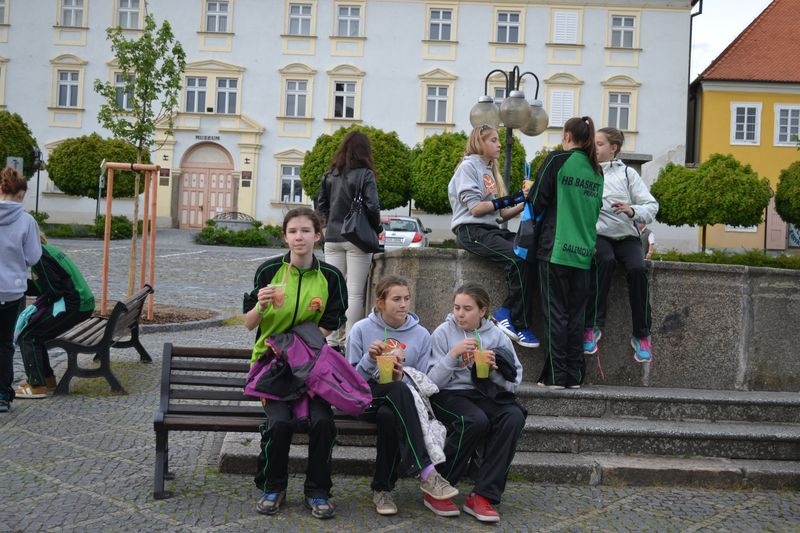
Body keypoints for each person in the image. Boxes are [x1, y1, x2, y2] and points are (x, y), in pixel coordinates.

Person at [243, 207, 347, 520]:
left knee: (323, 422)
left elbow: (332, 321)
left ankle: (318, 491)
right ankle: (273, 487)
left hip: (311, 367)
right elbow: (249, 323)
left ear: (318, 236)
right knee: (279, 423)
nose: (299, 237)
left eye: (305, 231)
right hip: (270, 366)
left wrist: (298, 346)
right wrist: (260, 306)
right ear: (285, 237)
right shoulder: (268, 271)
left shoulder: (331, 276)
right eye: (292, 231)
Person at [346, 275, 457, 516]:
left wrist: (400, 376)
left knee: (390, 414)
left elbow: (422, 379)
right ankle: (426, 471)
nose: (403, 304)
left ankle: (382, 489)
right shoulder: (361, 329)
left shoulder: (421, 334)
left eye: (406, 298)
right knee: (395, 395)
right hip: (365, 397)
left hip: (401, 399)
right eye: (396, 299)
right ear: (380, 302)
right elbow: (351, 381)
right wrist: (369, 359)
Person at [427, 282, 525, 523]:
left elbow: (514, 382)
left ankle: (483, 495)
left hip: (485, 393)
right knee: (475, 420)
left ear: (482, 311)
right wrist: (453, 355)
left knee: (513, 416)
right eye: (457, 307)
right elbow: (430, 383)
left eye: (467, 309)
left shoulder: (497, 336)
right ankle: (438, 485)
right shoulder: (443, 332)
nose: (460, 314)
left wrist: (493, 371)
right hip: (449, 394)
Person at [527, 117, 604, 389]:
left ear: (568, 136)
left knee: (556, 314)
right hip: (583, 253)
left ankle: (556, 376)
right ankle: (574, 375)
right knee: (575, 316)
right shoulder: (596, 170)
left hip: (555, 250)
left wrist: (529, 190)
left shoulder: (557, 160)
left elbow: (536, 201)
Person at [447, 124, 539, 349]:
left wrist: (525, 201)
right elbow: (476, 209)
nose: (499, 145)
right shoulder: (468, 167)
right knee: (516, 258)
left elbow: (501, 214)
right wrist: (513, 197)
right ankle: (509, 315)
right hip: (471, 231)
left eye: (498, 140)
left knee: (530, 252)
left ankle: (514, 317)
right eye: (493, 140)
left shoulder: (489, 170)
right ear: (480, 142)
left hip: (491, 230)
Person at [583, 127, 659, 363]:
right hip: (600, 235)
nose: (594, 147)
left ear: (613, 148)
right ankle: (592, 327)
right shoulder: (586, 171)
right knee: (604, 260)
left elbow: (651, 206)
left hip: (627, 236)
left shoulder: (627, 174)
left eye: (599, 144)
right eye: (593, 143)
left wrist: (632, 210)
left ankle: (642, 335)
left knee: (638, 269)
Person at [315, 130, 382, 352]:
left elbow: (320, 205)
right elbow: (372, 206)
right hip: (357, 237)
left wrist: (326, 227)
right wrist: (377, 228)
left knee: (333, 290)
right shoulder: (365, 174)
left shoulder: (330, 175)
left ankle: (332, 340)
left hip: (332, 237)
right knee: (354, 292)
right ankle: (351, 342)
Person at [15, 234, 95, 398]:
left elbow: (53, 290)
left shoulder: (39, 257)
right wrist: (19, 284)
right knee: (37, 334)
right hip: (80, 302)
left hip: (74, 304)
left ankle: (37, 385)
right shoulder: (46, 250)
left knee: (28, 336)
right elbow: (47, 285)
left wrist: (35, 306)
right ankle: (47, 379)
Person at [0, 166, 42, 413]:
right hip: (12, 291)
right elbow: (34, 257)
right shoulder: (26, 221)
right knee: (5, 343)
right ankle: (2, 395)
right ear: (21, 194)